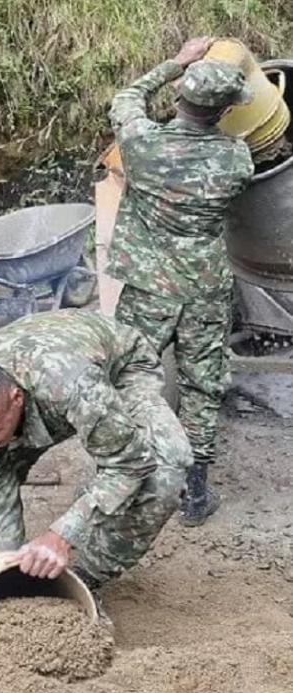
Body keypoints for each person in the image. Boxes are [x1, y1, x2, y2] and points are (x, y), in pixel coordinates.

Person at [0, 311, 192, 593]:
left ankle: (85, 579)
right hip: (43, 383)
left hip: (117, 368)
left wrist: (62, 534)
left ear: (15, 399)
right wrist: (9, 566)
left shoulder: (77, 389)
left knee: (165, 471)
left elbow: (130, 464)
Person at [107, 37, 254, 526]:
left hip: (148, 286)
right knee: (201, 385)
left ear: (180, 98)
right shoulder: (237, 159)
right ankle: (194, 494)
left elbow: (125, 98)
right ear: (223, 112)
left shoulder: (141, 142)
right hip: (204, 291)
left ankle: (129, 474)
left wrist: (176, 62)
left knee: (131, 376)